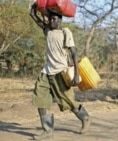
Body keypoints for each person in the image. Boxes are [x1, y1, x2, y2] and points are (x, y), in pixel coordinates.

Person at [30, 3, 91, 140]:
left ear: (60, 20)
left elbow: (74, 53)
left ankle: (85, 118)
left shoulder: (66, 32)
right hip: (46, 72)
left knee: (68, 102)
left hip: (61, 73)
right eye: (50, 19)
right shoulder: (47, 30)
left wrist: (76, 73)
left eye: (55, 19)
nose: (52, 21)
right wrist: (35, 7)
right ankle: (47, 131)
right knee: (40, 99)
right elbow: (33, 16)